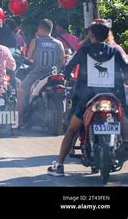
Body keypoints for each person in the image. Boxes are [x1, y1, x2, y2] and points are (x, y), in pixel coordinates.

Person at [47, 21, 128, 176]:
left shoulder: (84, 50)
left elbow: (69, 65)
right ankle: (125, 142)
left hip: (88, 98)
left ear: (91, 35)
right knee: (122, 116)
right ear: (107, 35)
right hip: (113, 96)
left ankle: (59, 165)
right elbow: (126, 68)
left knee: (71, 130)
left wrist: (66, 75)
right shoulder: (115, 51)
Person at [16, 19, 65, 128]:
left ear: (41, 29)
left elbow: (28, 57)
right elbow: (62, 62)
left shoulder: (35, 41)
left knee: (21, 92)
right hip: (54, 76)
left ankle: (18, 121)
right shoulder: (59, 43)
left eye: (38, 28)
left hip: (37, 74)